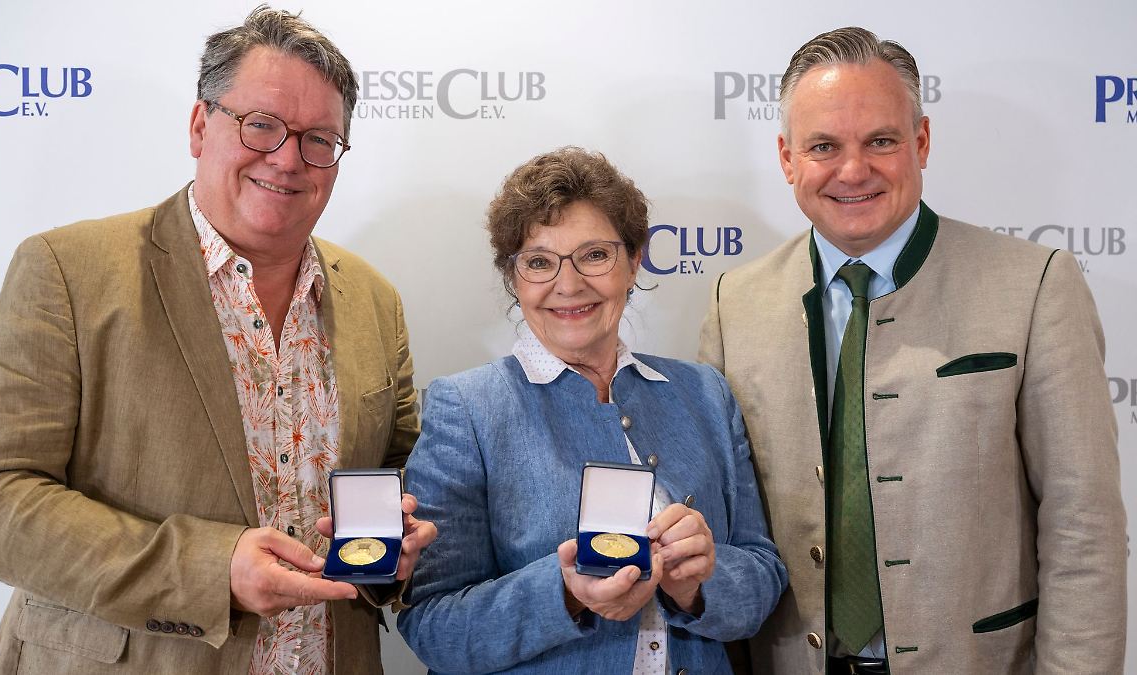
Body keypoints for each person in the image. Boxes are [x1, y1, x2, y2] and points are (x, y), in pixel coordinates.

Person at [0, 7, 435, 674]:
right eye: (261, 124)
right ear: (201, 126)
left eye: (319, 139)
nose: (288, 159)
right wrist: (210, 569)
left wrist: (398, 543)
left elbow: (395, 473)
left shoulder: (375, 299)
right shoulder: (68, 271)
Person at [700, 26, 1126, 675]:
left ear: (921, 142)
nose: (853, 170)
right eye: (823, 146)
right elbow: (725, 532)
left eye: (881, 140)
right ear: (787, 158)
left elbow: (1083, 526)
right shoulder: (735, 303)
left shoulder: (1035, 286)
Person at [396, 147, 787, 673]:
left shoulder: (704, 393)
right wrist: (564, 593)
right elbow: (434, 626)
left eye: (595, 255)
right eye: (539, 262)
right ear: (513, 278)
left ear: (635, 261)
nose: (569, 284)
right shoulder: (467, 410)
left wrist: (697, 585)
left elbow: (763, 577)